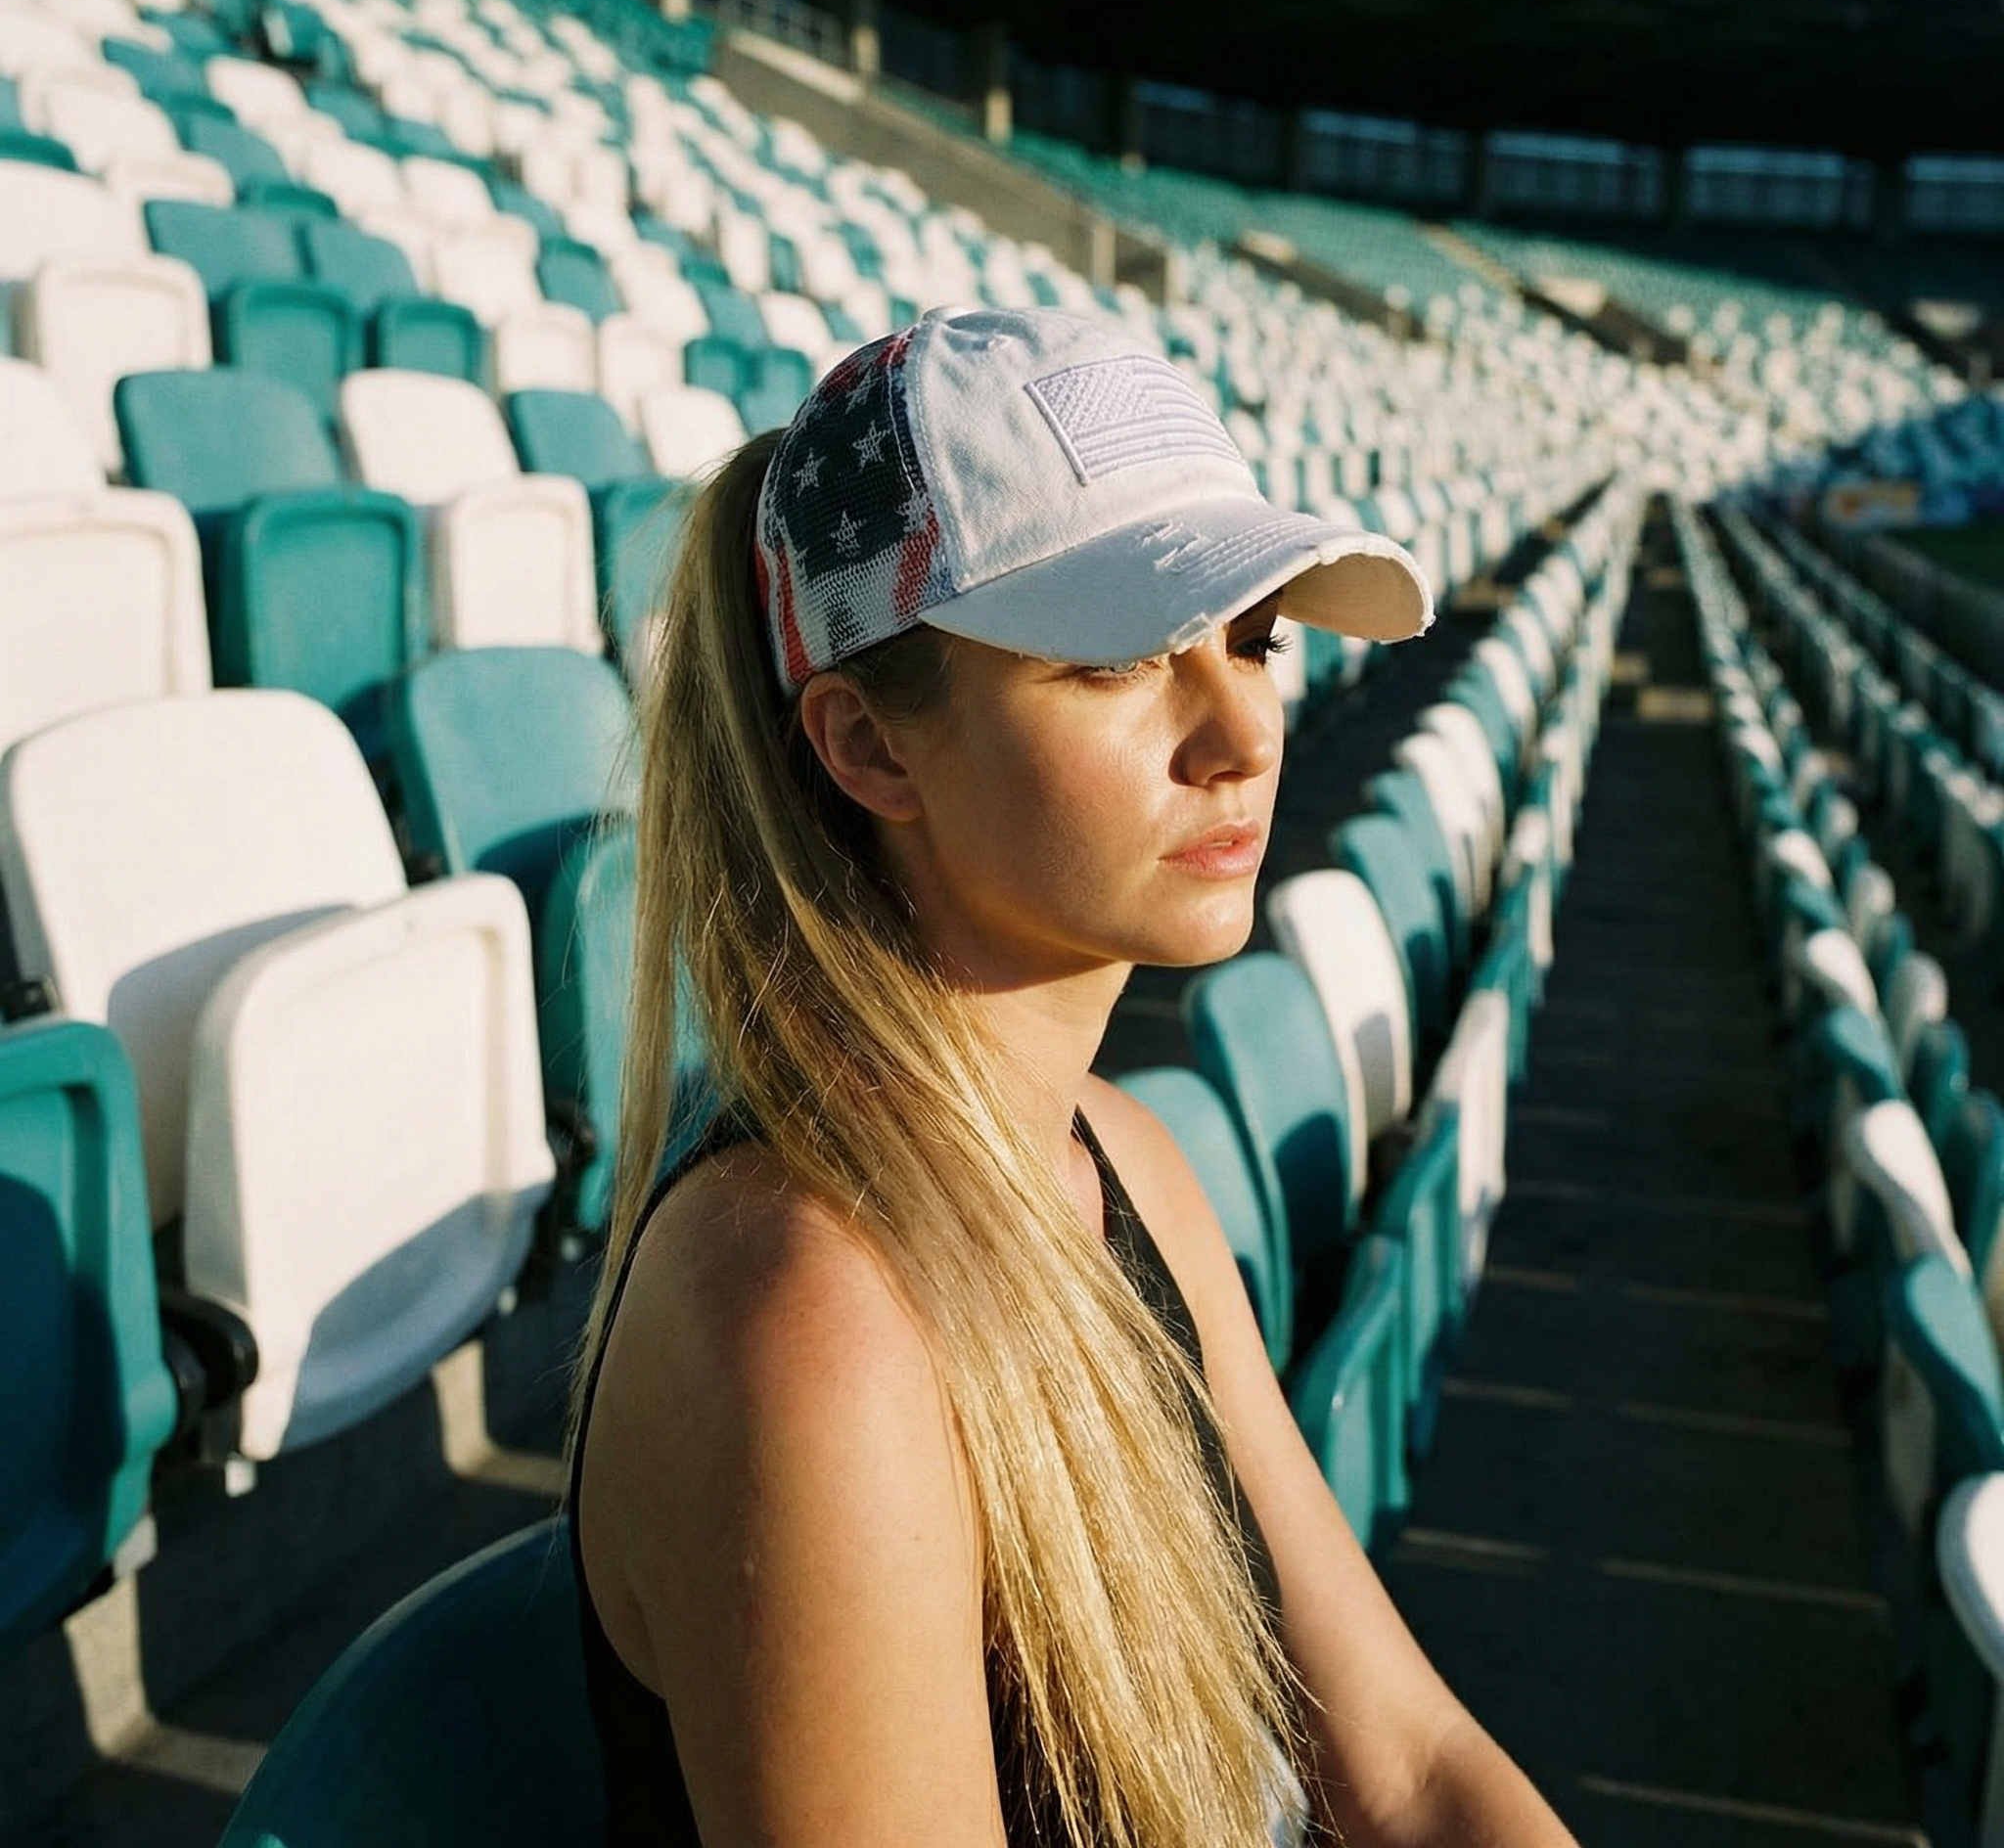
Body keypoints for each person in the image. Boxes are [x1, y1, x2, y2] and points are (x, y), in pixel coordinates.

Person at [569, 306, 1577, 1848]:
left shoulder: (1123, 1157)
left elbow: (1411, 1764)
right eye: (1117, 660)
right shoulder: (808, 1326)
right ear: (871, 750)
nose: (1243, 731)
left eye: (1255, 638)